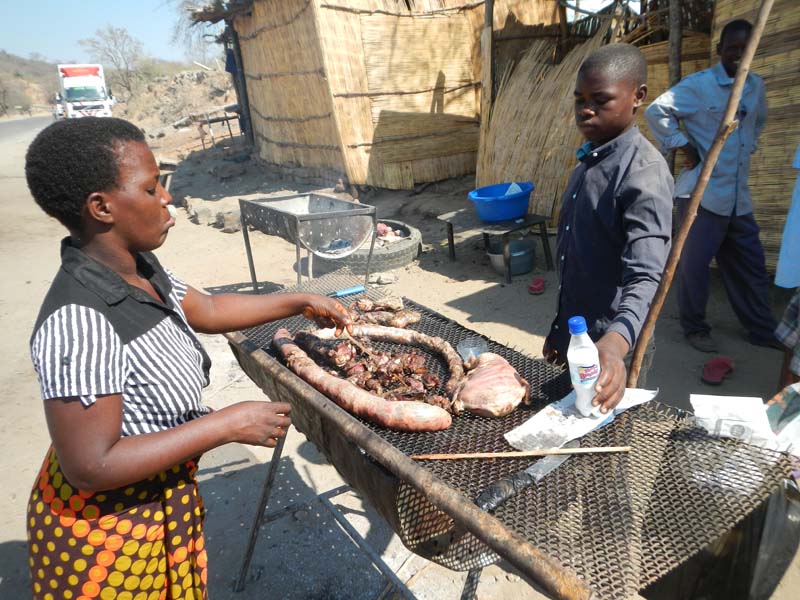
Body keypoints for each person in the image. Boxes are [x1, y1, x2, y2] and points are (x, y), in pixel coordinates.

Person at [23, 117, 352, 600]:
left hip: (158, 501)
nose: (167, 199)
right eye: (152, 187)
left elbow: (210, 308)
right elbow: (90, 466)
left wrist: (299, 300)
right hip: (108, 535)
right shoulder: (78, 319)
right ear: (101, 207)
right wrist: (225, 425)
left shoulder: (138, 268)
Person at [543, 43, 673, 413]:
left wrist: (614, 346)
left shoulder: (643, 173)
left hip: (615, 344)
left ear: (638, 97)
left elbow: (646, 276)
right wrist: (562, 329)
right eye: (579, 99)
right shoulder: (590, 160)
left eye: (601, 100)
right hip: (580, 335)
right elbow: (577, 256)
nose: (585, 110)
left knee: (604, 434)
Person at [645, 19, 778, 353]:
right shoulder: (699, 86)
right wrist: (684, 144)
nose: (737, 54)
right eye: (731, 48)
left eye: (744, 48)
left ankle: (761, 329)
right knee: (693, 268)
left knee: (750, 265)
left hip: (736, 197)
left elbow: (758, 120)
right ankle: (695, 328)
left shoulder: (755, 86)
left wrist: (747, 147)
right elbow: (656, 110)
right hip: (700, 197)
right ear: (720, 50)